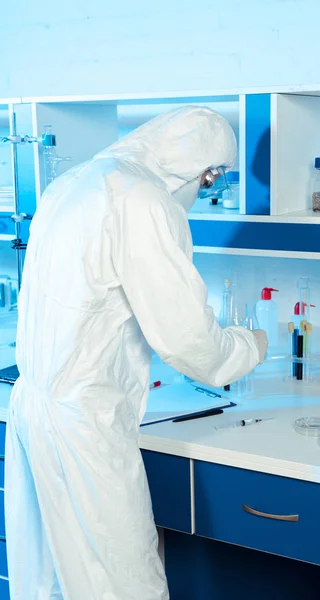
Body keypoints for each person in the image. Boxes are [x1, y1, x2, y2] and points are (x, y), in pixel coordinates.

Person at [5, 106, 268, 600]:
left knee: (54, 581)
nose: (207, 188)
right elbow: (189, 341)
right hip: (86, 425)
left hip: (36, 412)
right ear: (199, 164)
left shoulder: (76, 182)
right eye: (211, 178)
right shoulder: (142, 200)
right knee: (124, 581)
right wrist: (247, 346)